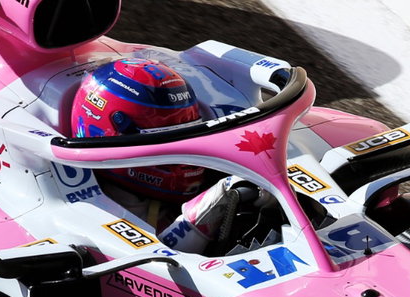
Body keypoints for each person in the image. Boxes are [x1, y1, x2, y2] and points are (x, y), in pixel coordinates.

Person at [70, 57, 277, 254]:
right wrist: (202, 216)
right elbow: (151, 267)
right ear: (110, 135)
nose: (185, 150)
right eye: (167, 138)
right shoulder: (90, 212)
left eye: (188, 131)